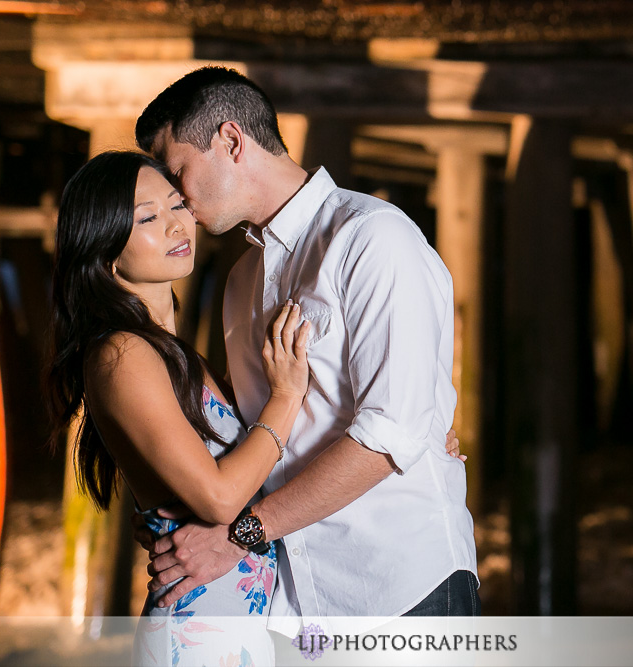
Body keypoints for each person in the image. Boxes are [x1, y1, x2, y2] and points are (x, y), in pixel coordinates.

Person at [45, 151, 464, 664]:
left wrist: (419, 427)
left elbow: (256, 461)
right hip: (199, 630)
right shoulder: (121, 353)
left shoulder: (175, 357)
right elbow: (222, 498)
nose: (179, 224)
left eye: (178, 205)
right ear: (105, 249)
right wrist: (286, 398)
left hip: (244, 626)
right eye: (149, 217)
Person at [134, 66, 480, 631]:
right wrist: (170, 509)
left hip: (400, 590)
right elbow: (253, 439)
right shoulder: (242, 281)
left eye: (179, 173)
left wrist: (240, 536)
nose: (179, 199)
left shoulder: (371, 237)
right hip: (296, 606)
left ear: (230, 140)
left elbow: (391, 433)